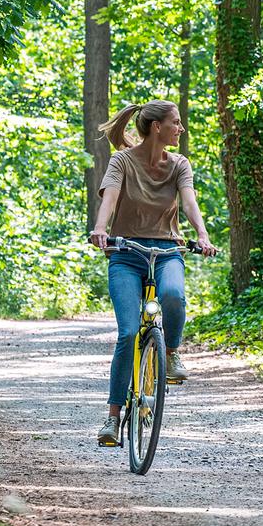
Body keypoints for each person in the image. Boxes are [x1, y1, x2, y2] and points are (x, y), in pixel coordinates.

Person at [88, 99, 214, 447]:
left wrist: (201, 235)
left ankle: (170, 352)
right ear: (157, 127)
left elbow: (188, 201)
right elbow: (110, 199)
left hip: (167, 251)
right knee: (128, 333)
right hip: (126, 253)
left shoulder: (179, 165)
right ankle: (113, 419)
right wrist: (101, 229)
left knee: (173, 296)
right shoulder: (122, 161)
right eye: (176, 123)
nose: (181, 128)